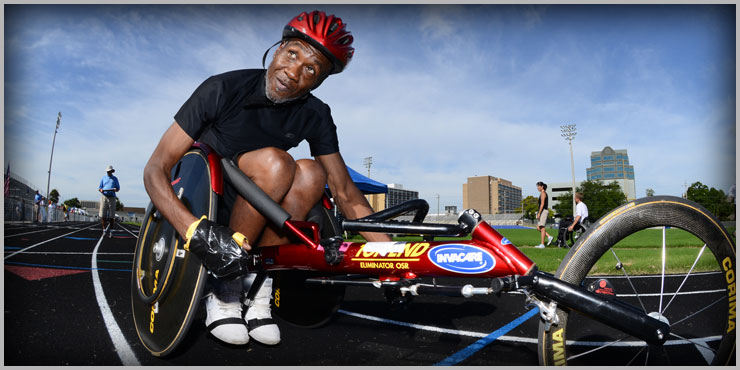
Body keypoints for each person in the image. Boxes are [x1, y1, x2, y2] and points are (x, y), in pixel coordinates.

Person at [143, 10, 391, 347]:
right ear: (278, 48)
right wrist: (193, 229)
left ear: (319, 81)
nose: (293, 72)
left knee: (312, 173)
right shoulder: (222, 88)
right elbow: (156, 167)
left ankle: (259, 288)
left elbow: (346, 194)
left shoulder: (316, 114)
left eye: (311, 69)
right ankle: (225, 290)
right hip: (212, 205)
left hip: (264, 207)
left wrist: (392, 256)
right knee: (278, 163)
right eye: (292, 54)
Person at [98, 165, 120, 238]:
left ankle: (111, 231)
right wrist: (101, 190)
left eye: (109, 171)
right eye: (107, 171)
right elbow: (100, 187)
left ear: (112, 171)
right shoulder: (103, 178)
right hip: (104, 196)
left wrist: (115, 189)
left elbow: (118, 188)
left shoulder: (115, 179)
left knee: (112, 215)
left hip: (112, 197)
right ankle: (104, 230)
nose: (108, 172)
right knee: (103, 215)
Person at [535, 181, 553, 248]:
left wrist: (539, 213)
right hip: (542, 211)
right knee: (538, 227)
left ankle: (542, 244)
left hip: (543, 211)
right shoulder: (542, 193)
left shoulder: (543, 193)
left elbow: (542, 204)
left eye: (538, 186)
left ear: (542, 186)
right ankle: (549, 236)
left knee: (542, 227)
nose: (537, 188)